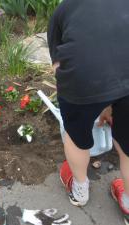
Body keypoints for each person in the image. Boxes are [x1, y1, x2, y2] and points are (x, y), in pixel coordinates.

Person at [48, 0, 129, 224]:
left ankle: (80, 190)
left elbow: (59, 66)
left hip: (82, 81)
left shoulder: (63, 11)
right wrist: (108, 104)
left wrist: (84, 103)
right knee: (128, 147)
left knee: (76, 137)